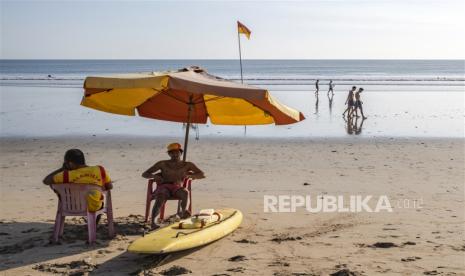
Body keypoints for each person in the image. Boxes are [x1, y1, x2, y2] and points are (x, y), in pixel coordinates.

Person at [142, 143, 205, 230]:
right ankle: (153, 222)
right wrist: (154, 176)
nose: (175, 154)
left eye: (177, 152)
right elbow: (145, 174)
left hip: (177, 187)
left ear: (181, 153)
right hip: (164, 186)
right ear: (169, 154)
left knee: (185, 192)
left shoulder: (187, 165)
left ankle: (183, 213)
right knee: (161, 196)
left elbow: (202, 174)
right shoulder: (162, 163)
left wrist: (190, 176)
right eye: (172, 153)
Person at [43, 149, 112, 213]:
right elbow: (109, 186)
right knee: (96, 198)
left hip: (71, 207)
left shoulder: (66, 175)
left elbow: (46, 181)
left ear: (70, 163)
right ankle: (93, 220)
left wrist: (62, 169)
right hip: (95, 207)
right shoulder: (99, 170)